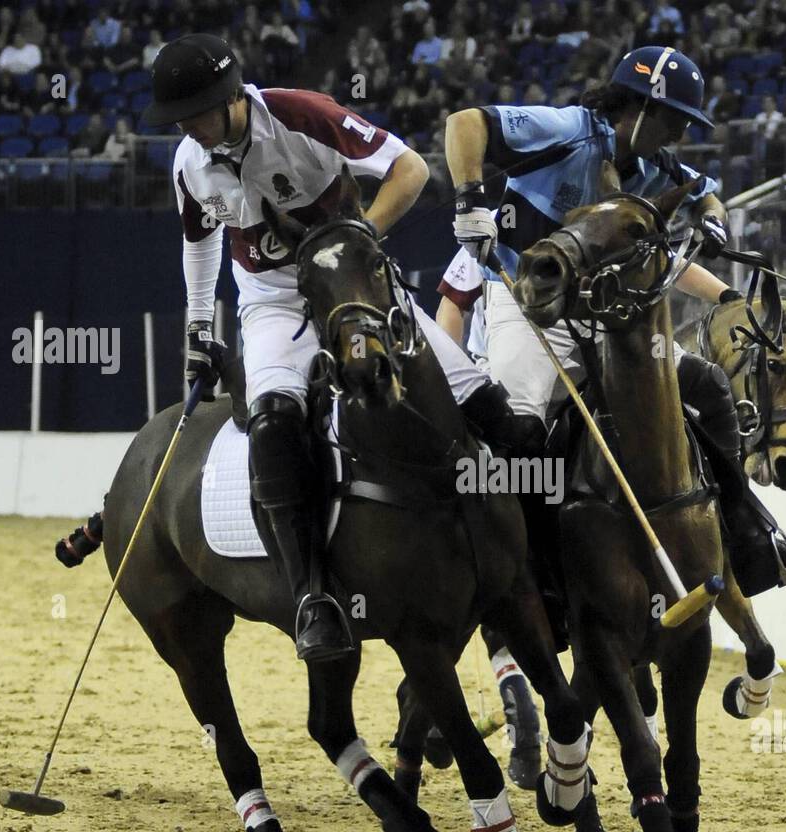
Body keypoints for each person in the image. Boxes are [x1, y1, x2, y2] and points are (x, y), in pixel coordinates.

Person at [143, 34, 522, 661]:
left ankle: (532, 560)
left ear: (232, 97)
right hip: (272, 303)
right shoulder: (190, 162)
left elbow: (411, 168)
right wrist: (198, 326)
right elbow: (200, 241)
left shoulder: (302, 115)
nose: (188, 129)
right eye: (179, 120)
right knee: (273, 423)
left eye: (196, 115)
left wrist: (358, 240)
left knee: (489, 408)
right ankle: (312, 596)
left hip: (349, 285)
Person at [444, 44, 786, 596]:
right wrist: (469, 201)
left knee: (708, 386)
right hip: (528, 305)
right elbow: (465, 124)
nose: (678, 135)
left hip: (606, 314)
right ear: (641, 106)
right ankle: (519, 576)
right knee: (515, 429)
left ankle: (748, 537)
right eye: (674, 120)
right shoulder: (567, 129)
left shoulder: (657, 167)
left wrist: (715, 226)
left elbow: (708, 197)